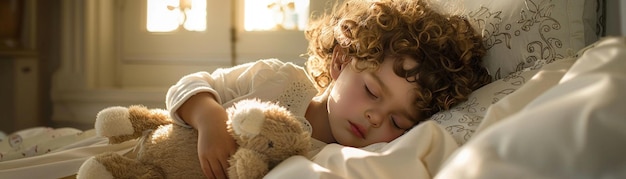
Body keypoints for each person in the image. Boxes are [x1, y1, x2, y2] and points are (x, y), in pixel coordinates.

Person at [165, 0, 492, 178]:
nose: (375, 117)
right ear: (340, 60)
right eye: (372, 92)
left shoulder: (346, 163)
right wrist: (209, 117)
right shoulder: (279, 80)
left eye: (398, 123)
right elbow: (192, 84)